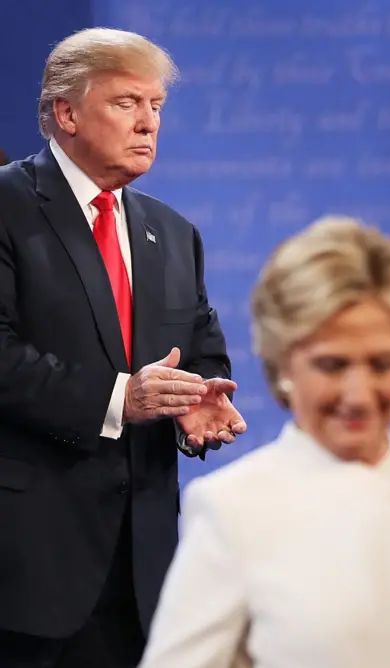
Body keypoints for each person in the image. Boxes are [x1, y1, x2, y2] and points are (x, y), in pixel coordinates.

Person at [0, 27, 246, 668]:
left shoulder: (172, 231)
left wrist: (198, 400)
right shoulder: (6, 207)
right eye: (126, 103)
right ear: (66, 113)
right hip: (27, 569)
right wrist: (119, 399)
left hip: (144, 571)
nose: (148, 124)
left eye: (156, 107)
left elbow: (200, 346)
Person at [140, 216, 390, 668]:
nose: (358, 396)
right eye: (332, 365)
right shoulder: (235, 511)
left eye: (381, 364)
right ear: (283, 365)